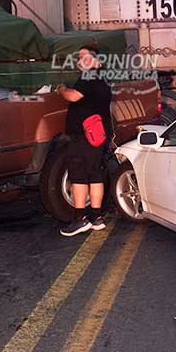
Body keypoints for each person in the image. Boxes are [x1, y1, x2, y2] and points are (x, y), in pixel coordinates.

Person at [57, 46, 113, 237]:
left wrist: (62, 88)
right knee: (95, 174)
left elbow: (73, 96)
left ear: (98, 61)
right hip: (98, 136)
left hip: (82, 137)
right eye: (79, 57)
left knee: (78, 175)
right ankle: (96, 218)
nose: (80, 60)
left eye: (85, 57)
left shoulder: (88, 78)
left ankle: (80, 219)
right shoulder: (103, 80)